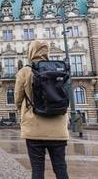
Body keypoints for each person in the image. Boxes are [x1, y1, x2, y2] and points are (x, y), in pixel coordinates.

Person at [15, 40, 69, 179]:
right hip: (58, 128)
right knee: (61, 168)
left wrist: (24, 111)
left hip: (34, 128)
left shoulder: (25, 71)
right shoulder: (59, 69)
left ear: (31, 51)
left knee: (37, 170)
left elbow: (18, 99)